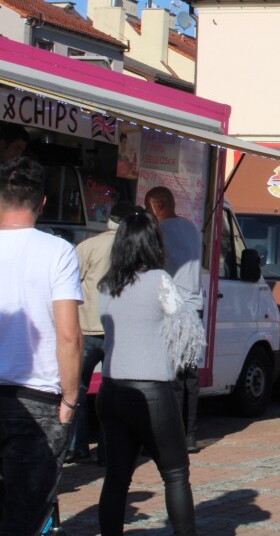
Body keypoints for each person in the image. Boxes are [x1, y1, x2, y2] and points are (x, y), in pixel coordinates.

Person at [96, 207, 205, 536]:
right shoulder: (159, 280)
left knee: (116, 476)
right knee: (175, 474)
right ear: (152, 244)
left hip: (111, 388)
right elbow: (187, 328)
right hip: (152, 391)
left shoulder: (106, 285)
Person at [0, 157, 83, 534]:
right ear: (43, 202)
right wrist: (70, 398)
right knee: (28, 514)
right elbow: (68, 335)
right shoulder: (58, 252)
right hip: (39, 397)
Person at [67, 200, 138, 464]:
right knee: (113, 392)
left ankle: (77, 445)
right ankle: (108, 451)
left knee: (78, 388)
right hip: (117, 333)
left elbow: (70, 285)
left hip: (86, 328)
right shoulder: (132, 250)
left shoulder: (88, 247)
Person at [144, 186, 203, 453]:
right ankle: (190, 435)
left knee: (174, 376)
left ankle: (175, 434)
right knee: (191, 375)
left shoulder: (159, 232)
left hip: (173, 308)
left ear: (157, 205)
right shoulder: (191, 228)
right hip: (195, 307)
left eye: (149, 209)